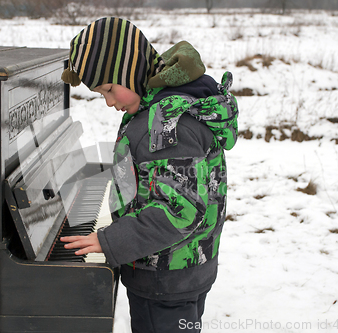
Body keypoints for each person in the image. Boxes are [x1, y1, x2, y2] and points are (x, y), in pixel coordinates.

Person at [61, 17, 238, 333]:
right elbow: (158, 175)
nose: (109, 101)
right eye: (101, 94)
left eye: (110, 89)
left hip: (165, 282)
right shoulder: (158, 105)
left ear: (129, 70)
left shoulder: (167, 124)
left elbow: (178, 211)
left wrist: (109, 240)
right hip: (180, 271)